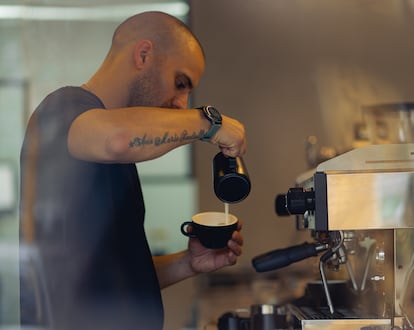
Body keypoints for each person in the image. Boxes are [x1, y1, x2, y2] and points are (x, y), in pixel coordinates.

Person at [19, 11, 246, 330]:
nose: (182, 103)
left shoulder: (113, 155)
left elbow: (113, 280)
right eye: (180, 83)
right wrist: (208, 123)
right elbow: (119, 139)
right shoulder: (61, 109)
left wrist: (187, 263)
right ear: (143, 55)